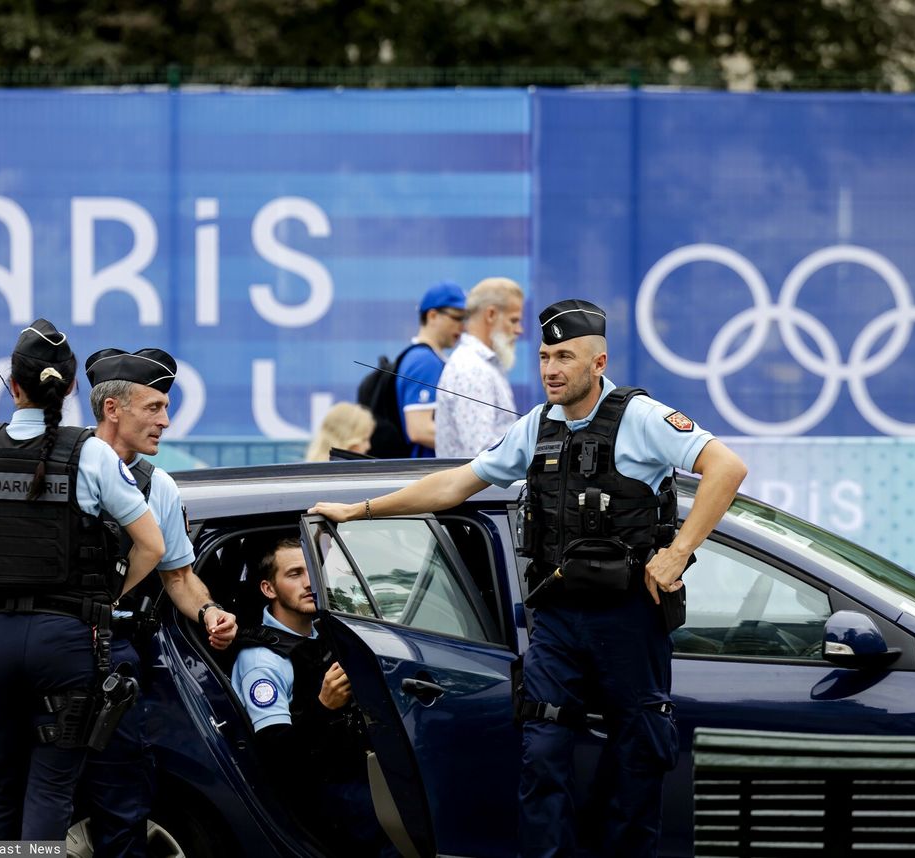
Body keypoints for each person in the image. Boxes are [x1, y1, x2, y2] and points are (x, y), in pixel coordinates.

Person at [310, 299, 748, 857]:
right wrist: (362, 510)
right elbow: (454, 486)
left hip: (629, 619)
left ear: (598, 361)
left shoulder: (640, 417)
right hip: (558, 621)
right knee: (541, 755)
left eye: (564, 356)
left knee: (637, 758)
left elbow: (727, 468)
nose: (550, 368)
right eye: (543, 356)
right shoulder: (536, 426)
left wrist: (679, 551)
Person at [0, 319, 165, 842]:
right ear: (73, 387)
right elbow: (152, 546)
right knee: (50, 791)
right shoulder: (92, 455)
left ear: (14, 386)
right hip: (68, 642)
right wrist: (105, 597)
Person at [77, 346, 239, 858]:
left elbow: (180, 577)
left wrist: (211, 612)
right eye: (154, 407)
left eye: (167, 408)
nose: (166, 421)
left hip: (116, 658)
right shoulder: (58, 469)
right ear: (112, 409)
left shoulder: (157, 485)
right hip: (51, 647)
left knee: (123, 799)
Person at [231, 538, 391, 857]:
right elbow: (274, 754)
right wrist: (323, 706)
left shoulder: (322, 632)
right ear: (268, 589)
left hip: (359, 770)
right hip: (321, 793)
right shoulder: (263, 660)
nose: (309, 583)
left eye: (312, 571)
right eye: (294, 574)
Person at [434, 277, 524, 458]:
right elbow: (482, 453)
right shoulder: (472, 369)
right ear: (490, 315)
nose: (519, 330)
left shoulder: (480, 364)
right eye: (513, 320)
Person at [395, 281, 466, 458]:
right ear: (433, 316)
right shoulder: (424, 361)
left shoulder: (429, 358)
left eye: (465, 319)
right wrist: (474, 444)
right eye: (457, 317)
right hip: (425, 471)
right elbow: (419, 429)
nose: (462, 326)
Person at [305, 402, 375, 461]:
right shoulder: (343, 473)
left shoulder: (307, 471)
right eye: (364, 439)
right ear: (348, 439)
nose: (368, 446)